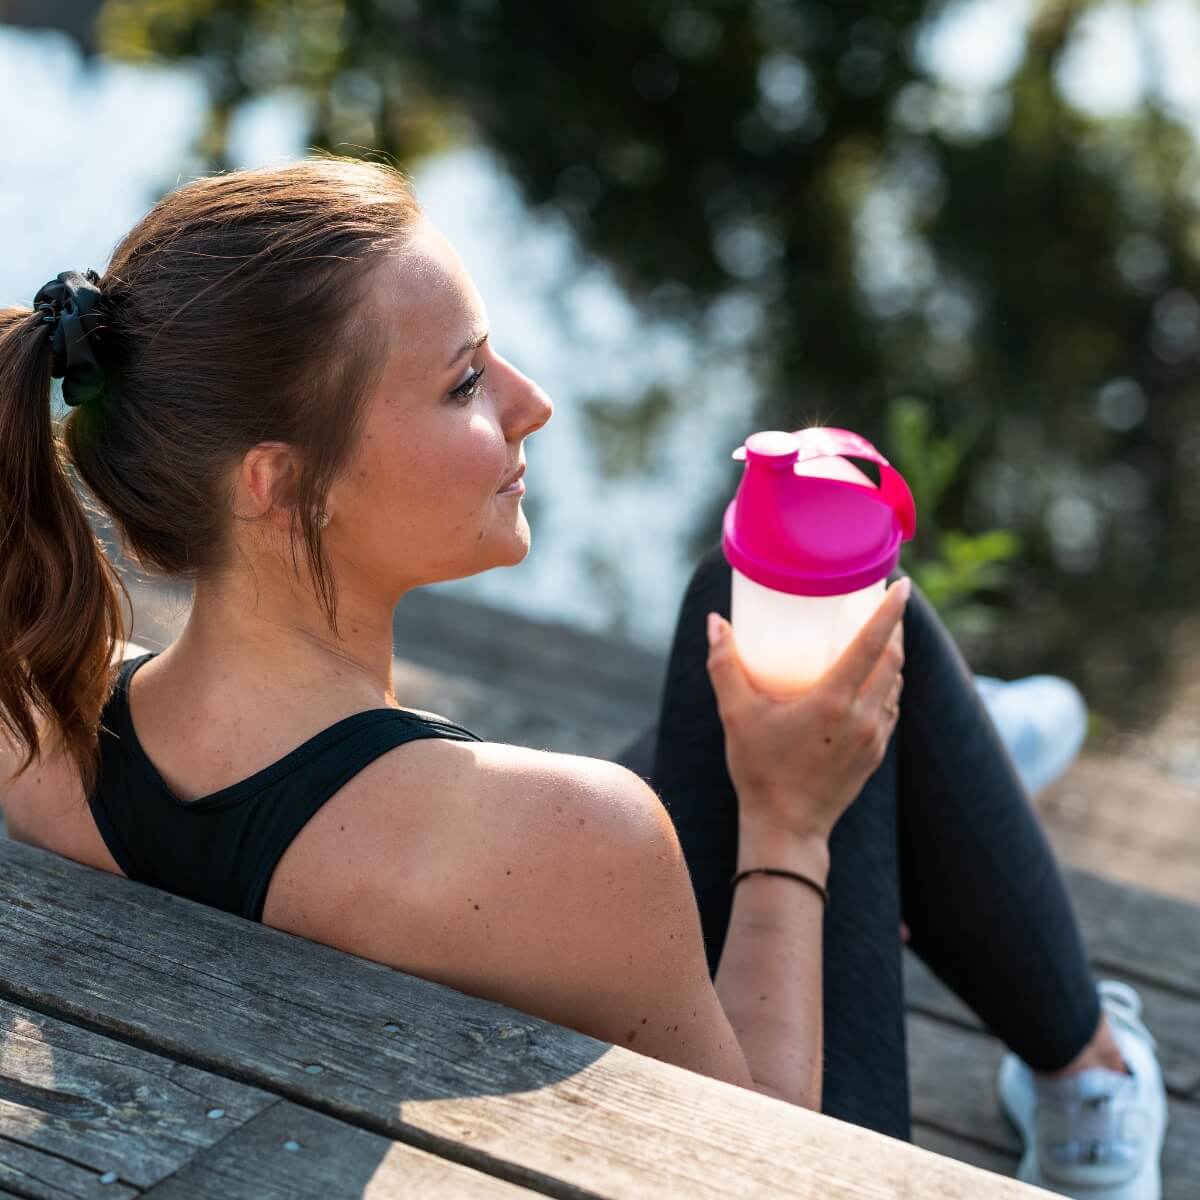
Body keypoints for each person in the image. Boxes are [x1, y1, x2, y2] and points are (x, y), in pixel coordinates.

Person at [0, 158, 1164, 1199]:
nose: (530, 403)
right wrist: (791, 826)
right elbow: (770, 1160)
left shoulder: (35, 723)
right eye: (464, 385)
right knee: (774, 629)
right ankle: (1086, 1073)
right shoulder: (574, 840)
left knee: (750, 631)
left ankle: (925, 770)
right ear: (278, 483)